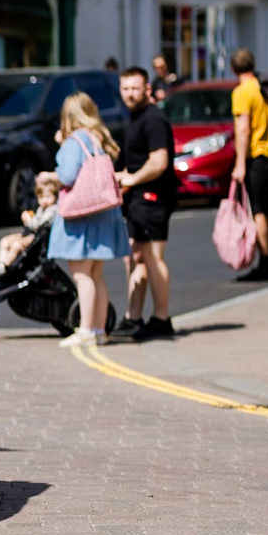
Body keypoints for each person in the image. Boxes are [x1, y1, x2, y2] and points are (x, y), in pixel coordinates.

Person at [49, 92, 128, 348]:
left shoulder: (74, 142)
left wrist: (52, 168)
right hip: (102, 213)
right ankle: (99, 329)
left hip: (81, 217)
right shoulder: (98, 138)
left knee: (81, 275)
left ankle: (85, 330)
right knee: (97, 275)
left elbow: (67, 176)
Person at [113, 66, 177, 341]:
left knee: (152, 258)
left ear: (147, 89)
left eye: (135, 88)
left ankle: (162, 319)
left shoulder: (153, 119)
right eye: (125, 89)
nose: (130, 94)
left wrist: (131, 178)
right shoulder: (136, 117)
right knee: (136, 256)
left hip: (154, 197)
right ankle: (133, 318)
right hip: (138, 198)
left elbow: (159, 162)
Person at [229, 49, 268, 282]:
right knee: (265, 211)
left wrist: (240, 163)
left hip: (256, 156)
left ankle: (264, 261)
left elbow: (243, 128)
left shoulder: (242, 92)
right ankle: (265, 258)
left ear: (233, 69)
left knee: (258, 211)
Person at [0, 172, 59, 278]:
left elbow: (38, 225)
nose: (44, 201)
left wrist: (28, 219)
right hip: (30, 234)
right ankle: (2, 265)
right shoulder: (41, 209)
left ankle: (6, 267)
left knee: (16, 246)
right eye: (41, 198)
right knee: (5, 241)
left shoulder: (52, 210)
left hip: (37, 239)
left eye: (47, 197)